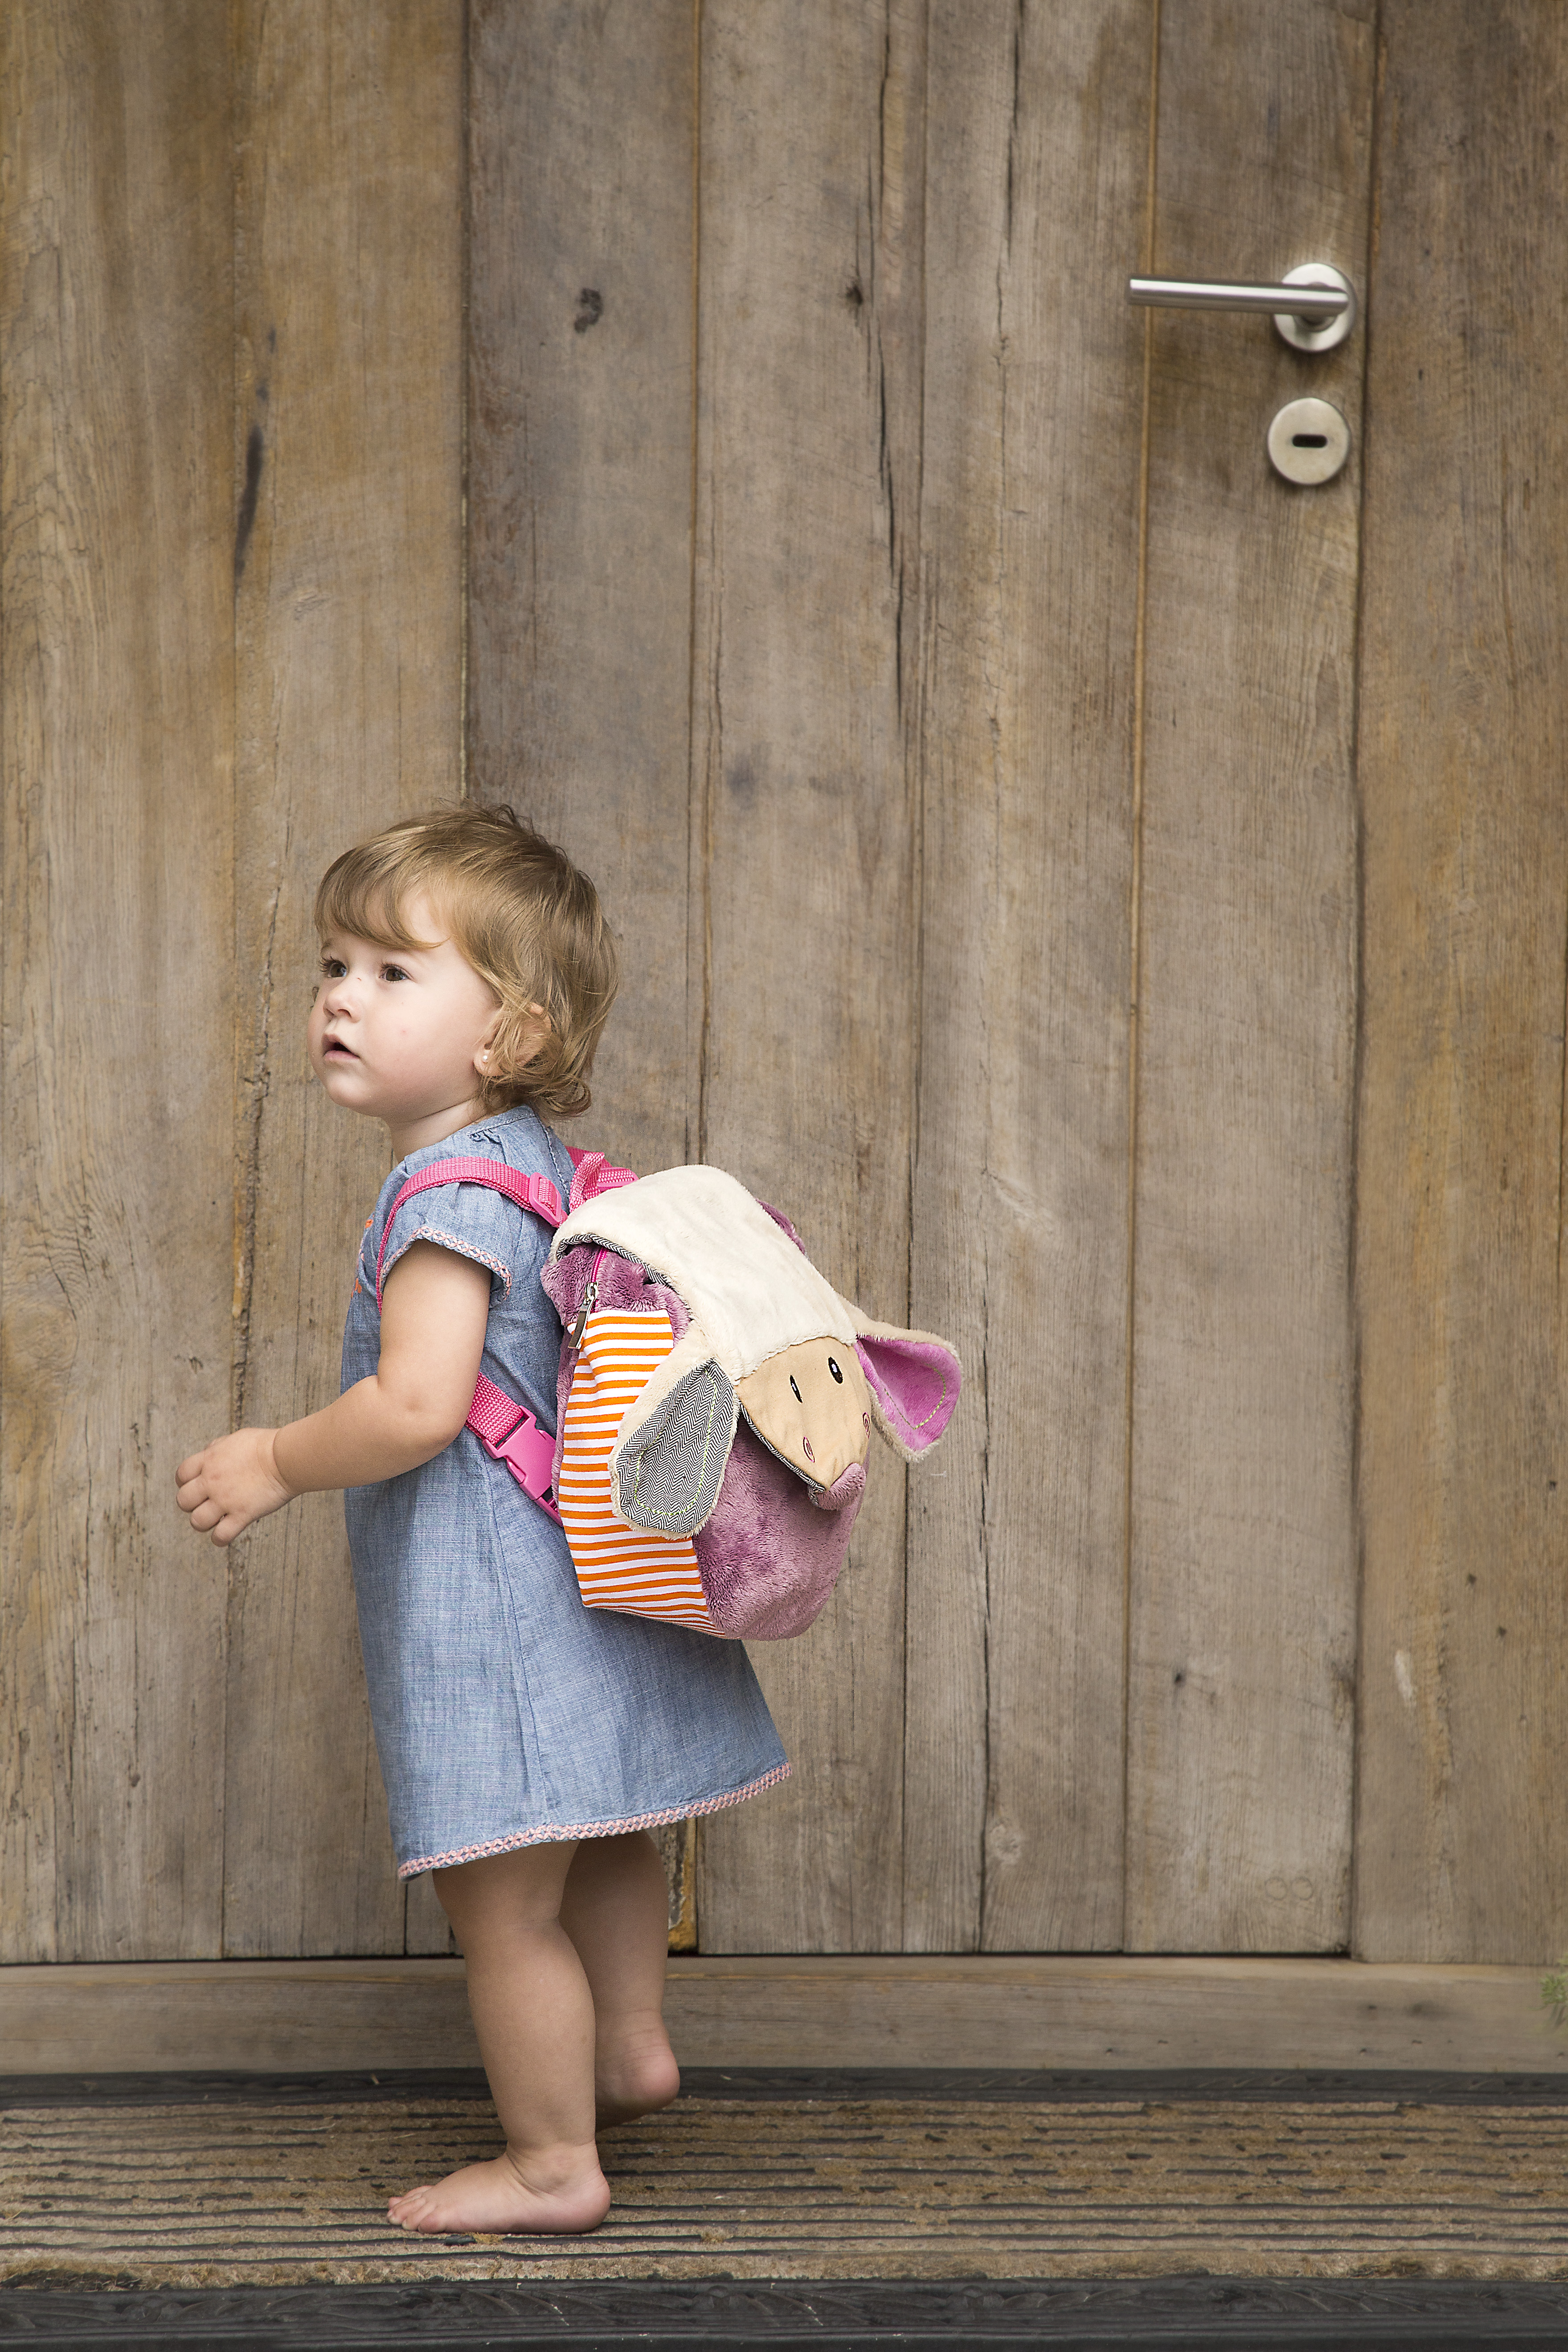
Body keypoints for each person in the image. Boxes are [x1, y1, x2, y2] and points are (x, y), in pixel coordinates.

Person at [176, 804, 787, 2235]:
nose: (340, 996)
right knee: (613, 1823)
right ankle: (630, 2047)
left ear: (508, 1033)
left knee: (506, 1908)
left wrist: (273, 1456)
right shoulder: (538, 1172)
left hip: (504, 1615)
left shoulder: (444, 1194)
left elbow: (417, 1405)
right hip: (593, 1584)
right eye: (335, 965)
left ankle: (551, 2164)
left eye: (395, 973)